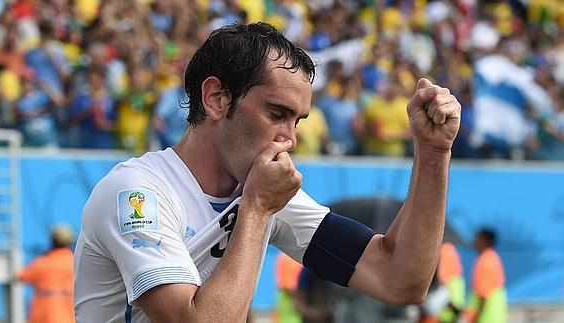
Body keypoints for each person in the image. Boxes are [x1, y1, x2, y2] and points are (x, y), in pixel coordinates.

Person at [73, 22, 461, 322]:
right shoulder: (136, 193)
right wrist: (256, 210)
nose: (289, 139)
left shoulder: (262, 191)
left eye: (298, 121)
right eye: (276, 114)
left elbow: (400, 279)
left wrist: (432, 153)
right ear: (216, 98)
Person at [19, 225, 75, 323]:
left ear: (52, 241)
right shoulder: (75, 264)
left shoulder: (41, 263)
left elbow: (21, 276)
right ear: (70, 242)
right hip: (69, 318)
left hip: (42, 318)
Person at [463, 229, 508, 323]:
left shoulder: (486, 261)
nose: (474, 241)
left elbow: (483, 294)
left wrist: (474, 318)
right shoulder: (490, 257)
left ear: (485, 241)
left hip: (487, 316)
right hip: (492, 315)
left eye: (477, 238)